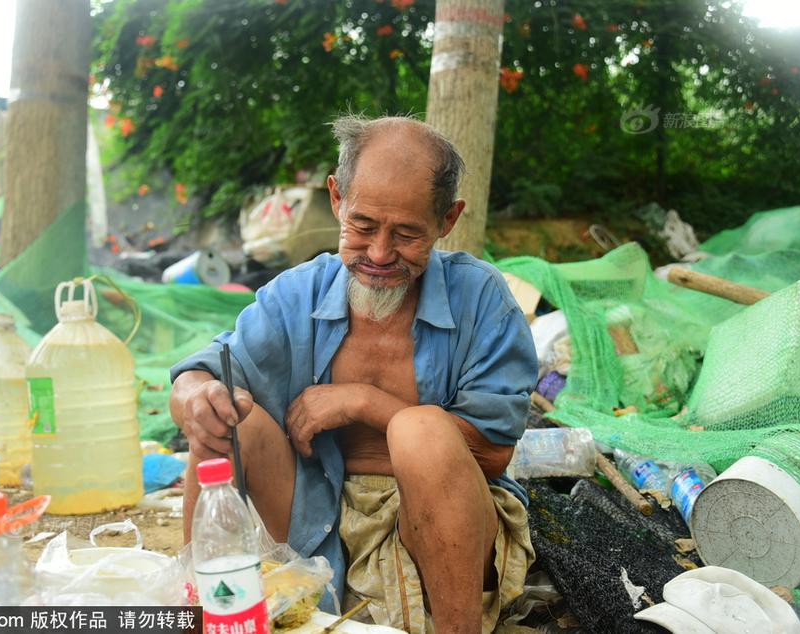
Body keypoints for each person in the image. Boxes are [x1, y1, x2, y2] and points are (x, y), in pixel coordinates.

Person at [170, 115, 538, 633]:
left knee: (421, 430)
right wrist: (196, 397)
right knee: (222, 421)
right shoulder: (295, 293)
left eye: (408, 233)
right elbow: (202, 371)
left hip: (445, 530)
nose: (380, 254)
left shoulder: (482, 299)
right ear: (337, 198)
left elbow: (495, 455)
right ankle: (198, 615)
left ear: (447, 220)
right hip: (315, 509)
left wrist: (364, 402)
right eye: (363, 226)